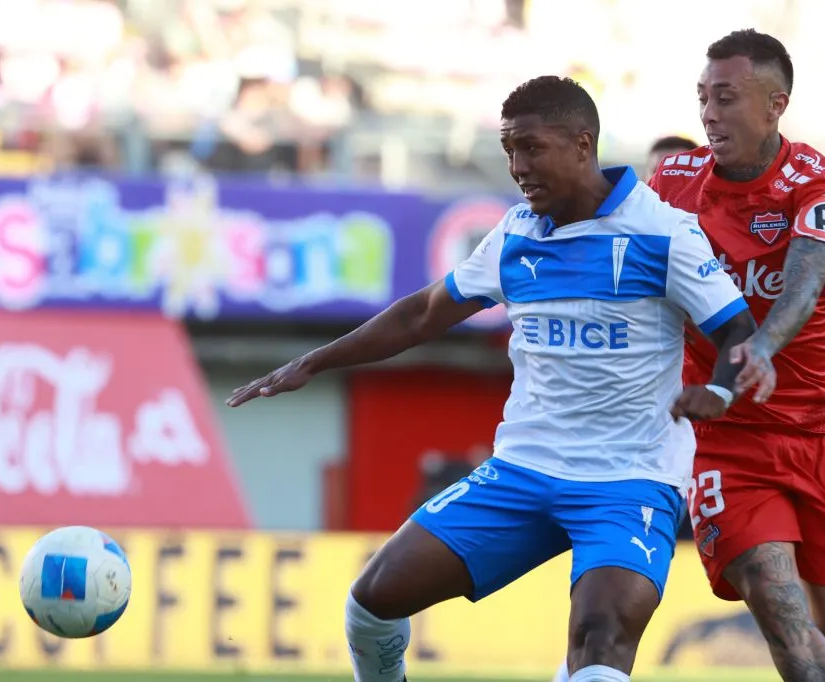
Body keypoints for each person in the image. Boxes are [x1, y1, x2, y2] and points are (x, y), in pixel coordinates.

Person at [227, 75, 768, 682]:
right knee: (371, 602)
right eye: (509, 149)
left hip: (629, 481)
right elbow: (422, 313)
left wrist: (719, 391)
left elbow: (738, 331)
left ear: (582, 145)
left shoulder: (663, 233)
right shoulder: (514, 234)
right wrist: (313, 361)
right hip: (523, 471)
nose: (517, 166)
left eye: (531, 147)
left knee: (600, 638)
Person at [653, 29, 825, 682]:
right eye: (702, 97)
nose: (708, 114)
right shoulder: (674, 183)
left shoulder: (819, 185)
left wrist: (764, 346)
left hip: (822, 431)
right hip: (727, 434)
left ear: (776, 105)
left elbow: (806, 282)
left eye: (725, 98)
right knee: (782, 610)